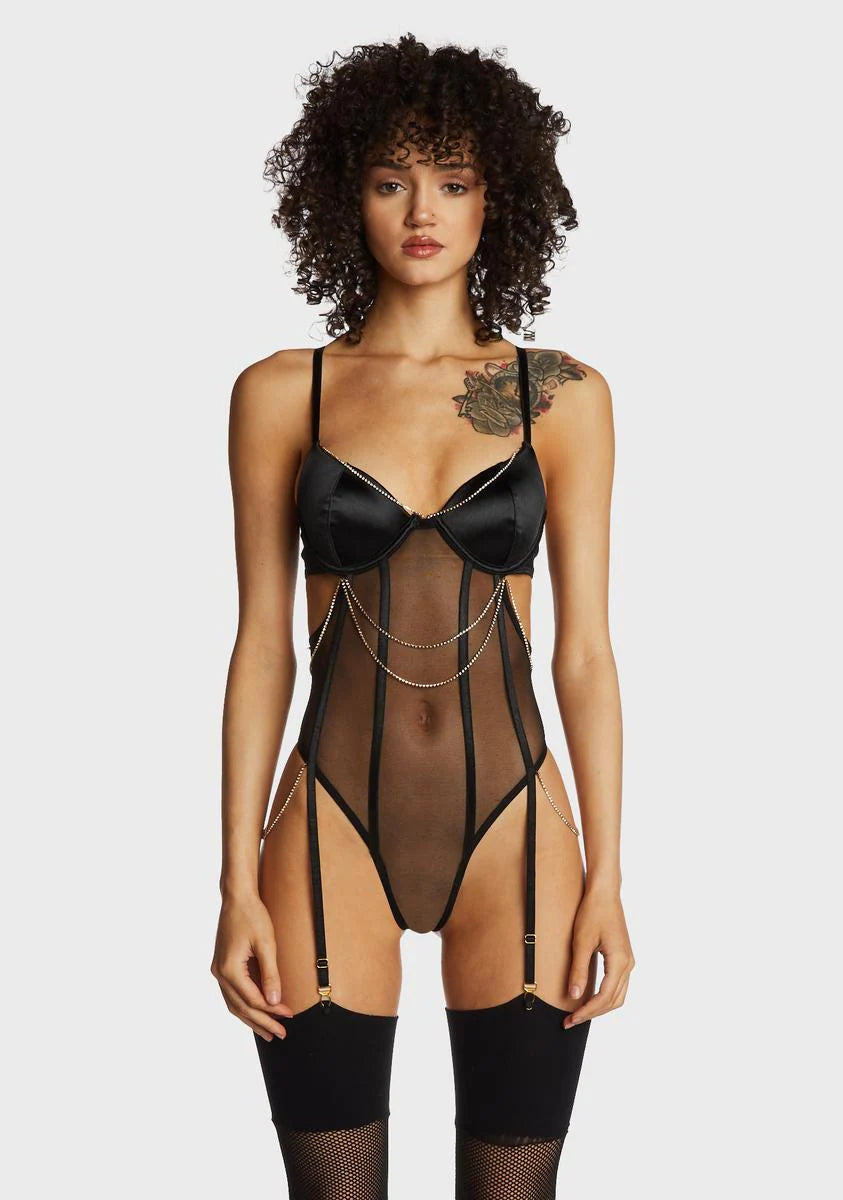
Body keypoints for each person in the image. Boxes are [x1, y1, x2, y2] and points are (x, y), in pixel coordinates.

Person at [211, 33, 635, 1199]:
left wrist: (609, 873)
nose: (422, 212)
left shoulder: (557, 392)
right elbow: (261, 648)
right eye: (391, 180)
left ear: (501, 195)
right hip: (326, 825)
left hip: (519, 828)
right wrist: (233, 880)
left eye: (453, 180)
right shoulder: (285, 391)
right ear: (344, 193)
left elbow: (586, 655)